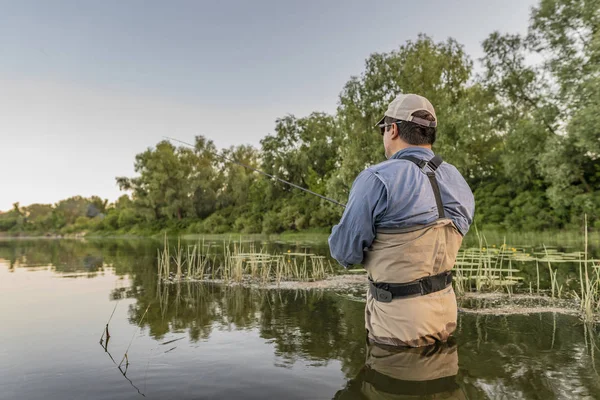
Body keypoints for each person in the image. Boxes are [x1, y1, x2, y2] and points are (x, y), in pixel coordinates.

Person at [328, 93, 474, 347]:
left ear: (393, 129)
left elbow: (344, 253)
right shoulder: (457, 179)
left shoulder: (376, 178)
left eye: (383, 129)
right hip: (446, 312)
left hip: (397, 322)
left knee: (391, 385)